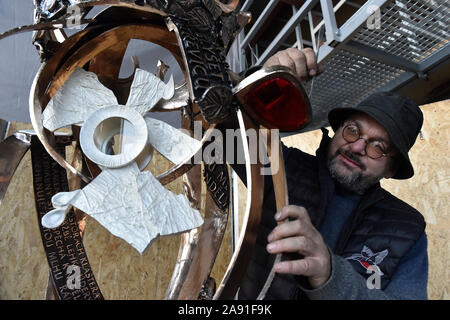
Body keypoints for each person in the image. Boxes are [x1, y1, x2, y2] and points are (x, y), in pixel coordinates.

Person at [236, 48, 428, 300]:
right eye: (352, 130)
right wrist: (262, 82)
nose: (357, 147)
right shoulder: (285, 167)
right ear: (337, 131)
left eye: (377, 147)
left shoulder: (407, 228)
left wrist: (330, 276)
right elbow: (217, 138)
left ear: (391, 169)